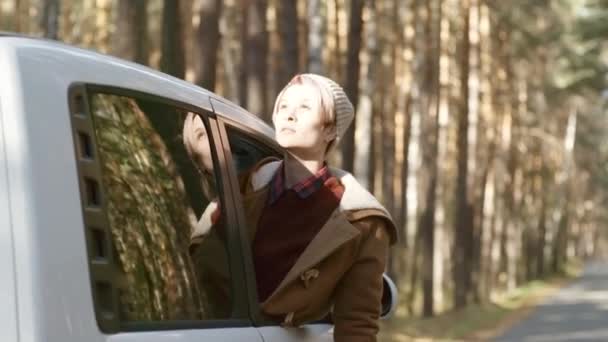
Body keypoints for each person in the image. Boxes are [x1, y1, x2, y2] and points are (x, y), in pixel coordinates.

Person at [185, 74, 397, 341]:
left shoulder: (362, 220)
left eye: (304, 107)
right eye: (283, 107)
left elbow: (357, 325)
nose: (289, 115)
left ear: (330, 130)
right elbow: (195, 275)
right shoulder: (239, 193)